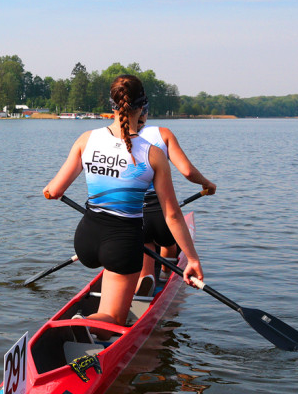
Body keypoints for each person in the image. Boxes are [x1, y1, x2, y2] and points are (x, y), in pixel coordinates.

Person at [43, 74, 203, 330]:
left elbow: (54, 190)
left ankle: (83, 321)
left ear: (113, 104)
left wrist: (49, 192)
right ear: (142, 108)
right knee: (114, 319)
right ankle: (84, 324)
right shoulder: (154, 154)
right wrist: (192, 260)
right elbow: (172, 215)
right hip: (122, 242)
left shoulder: (87, 139)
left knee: (110, 267)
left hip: (86, 239)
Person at [137, 110, 216, 288]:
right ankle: (165, 275)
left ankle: (146, 278)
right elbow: (187, 171)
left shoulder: (110, 135)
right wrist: (207, 184)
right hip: (160, 208)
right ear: (146, 112)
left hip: (131, 210)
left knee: (144, 244)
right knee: (168, 241)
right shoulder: (162, 133)